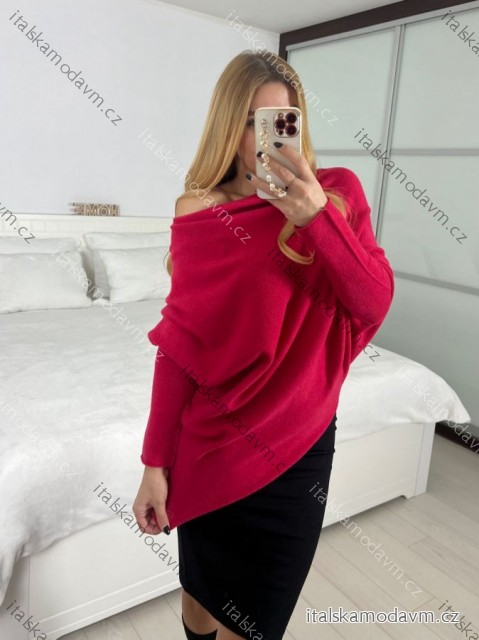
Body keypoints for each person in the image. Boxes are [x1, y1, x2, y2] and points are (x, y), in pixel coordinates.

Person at [133, 49, 394, 640]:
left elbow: (373, 301)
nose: (268, 138)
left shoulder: (336, 193)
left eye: (284, 120)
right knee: (200, 602)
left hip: (297, 448)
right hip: (211, 445)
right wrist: (154, 463)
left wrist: (316, 217)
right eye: (254, 121)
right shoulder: (201, 209)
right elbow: (180, 345)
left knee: (255, 624)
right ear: (229, 126)